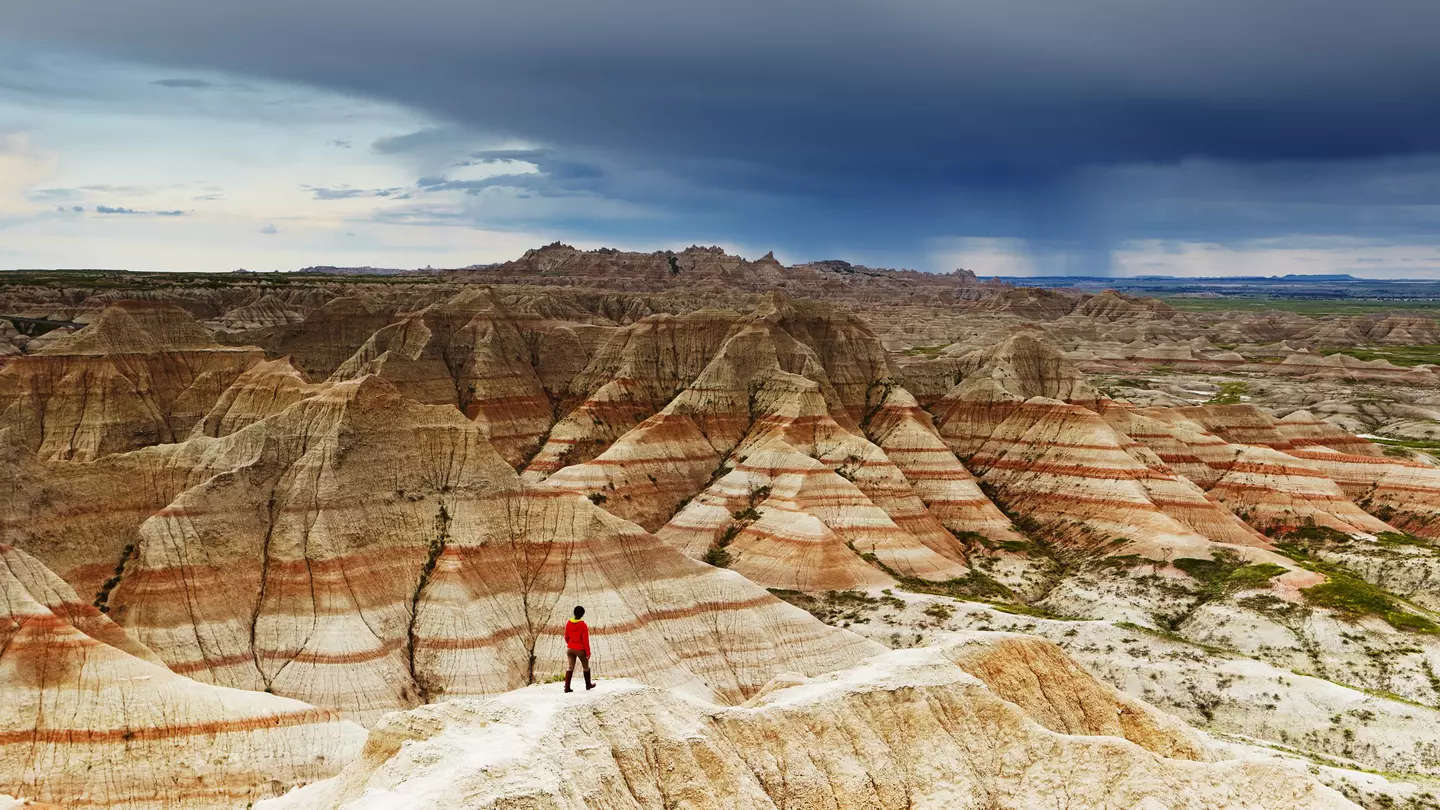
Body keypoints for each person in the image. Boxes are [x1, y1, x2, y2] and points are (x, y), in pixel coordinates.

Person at [563, 605, 595, 692]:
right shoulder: (583, 625)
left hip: (570, 648)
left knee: (570, 667)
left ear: (574, 613)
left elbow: (566, 636)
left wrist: (570, 644)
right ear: (582, 614)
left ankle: (567, 687)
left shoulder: (569, 623)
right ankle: (588, 685)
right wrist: (588, 653)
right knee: (586, 667)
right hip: (580, 649)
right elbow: (585, 640)